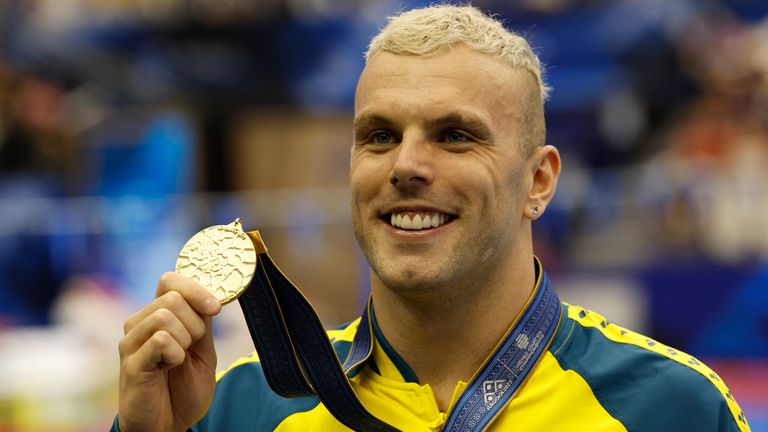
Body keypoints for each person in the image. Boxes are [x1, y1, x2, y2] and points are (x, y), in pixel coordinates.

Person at [113, 5, 749, 432]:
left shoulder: (670, 406)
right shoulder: (237, 408)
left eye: (454, 136)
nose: (406, 166)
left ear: (539, 181)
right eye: (381, 136)